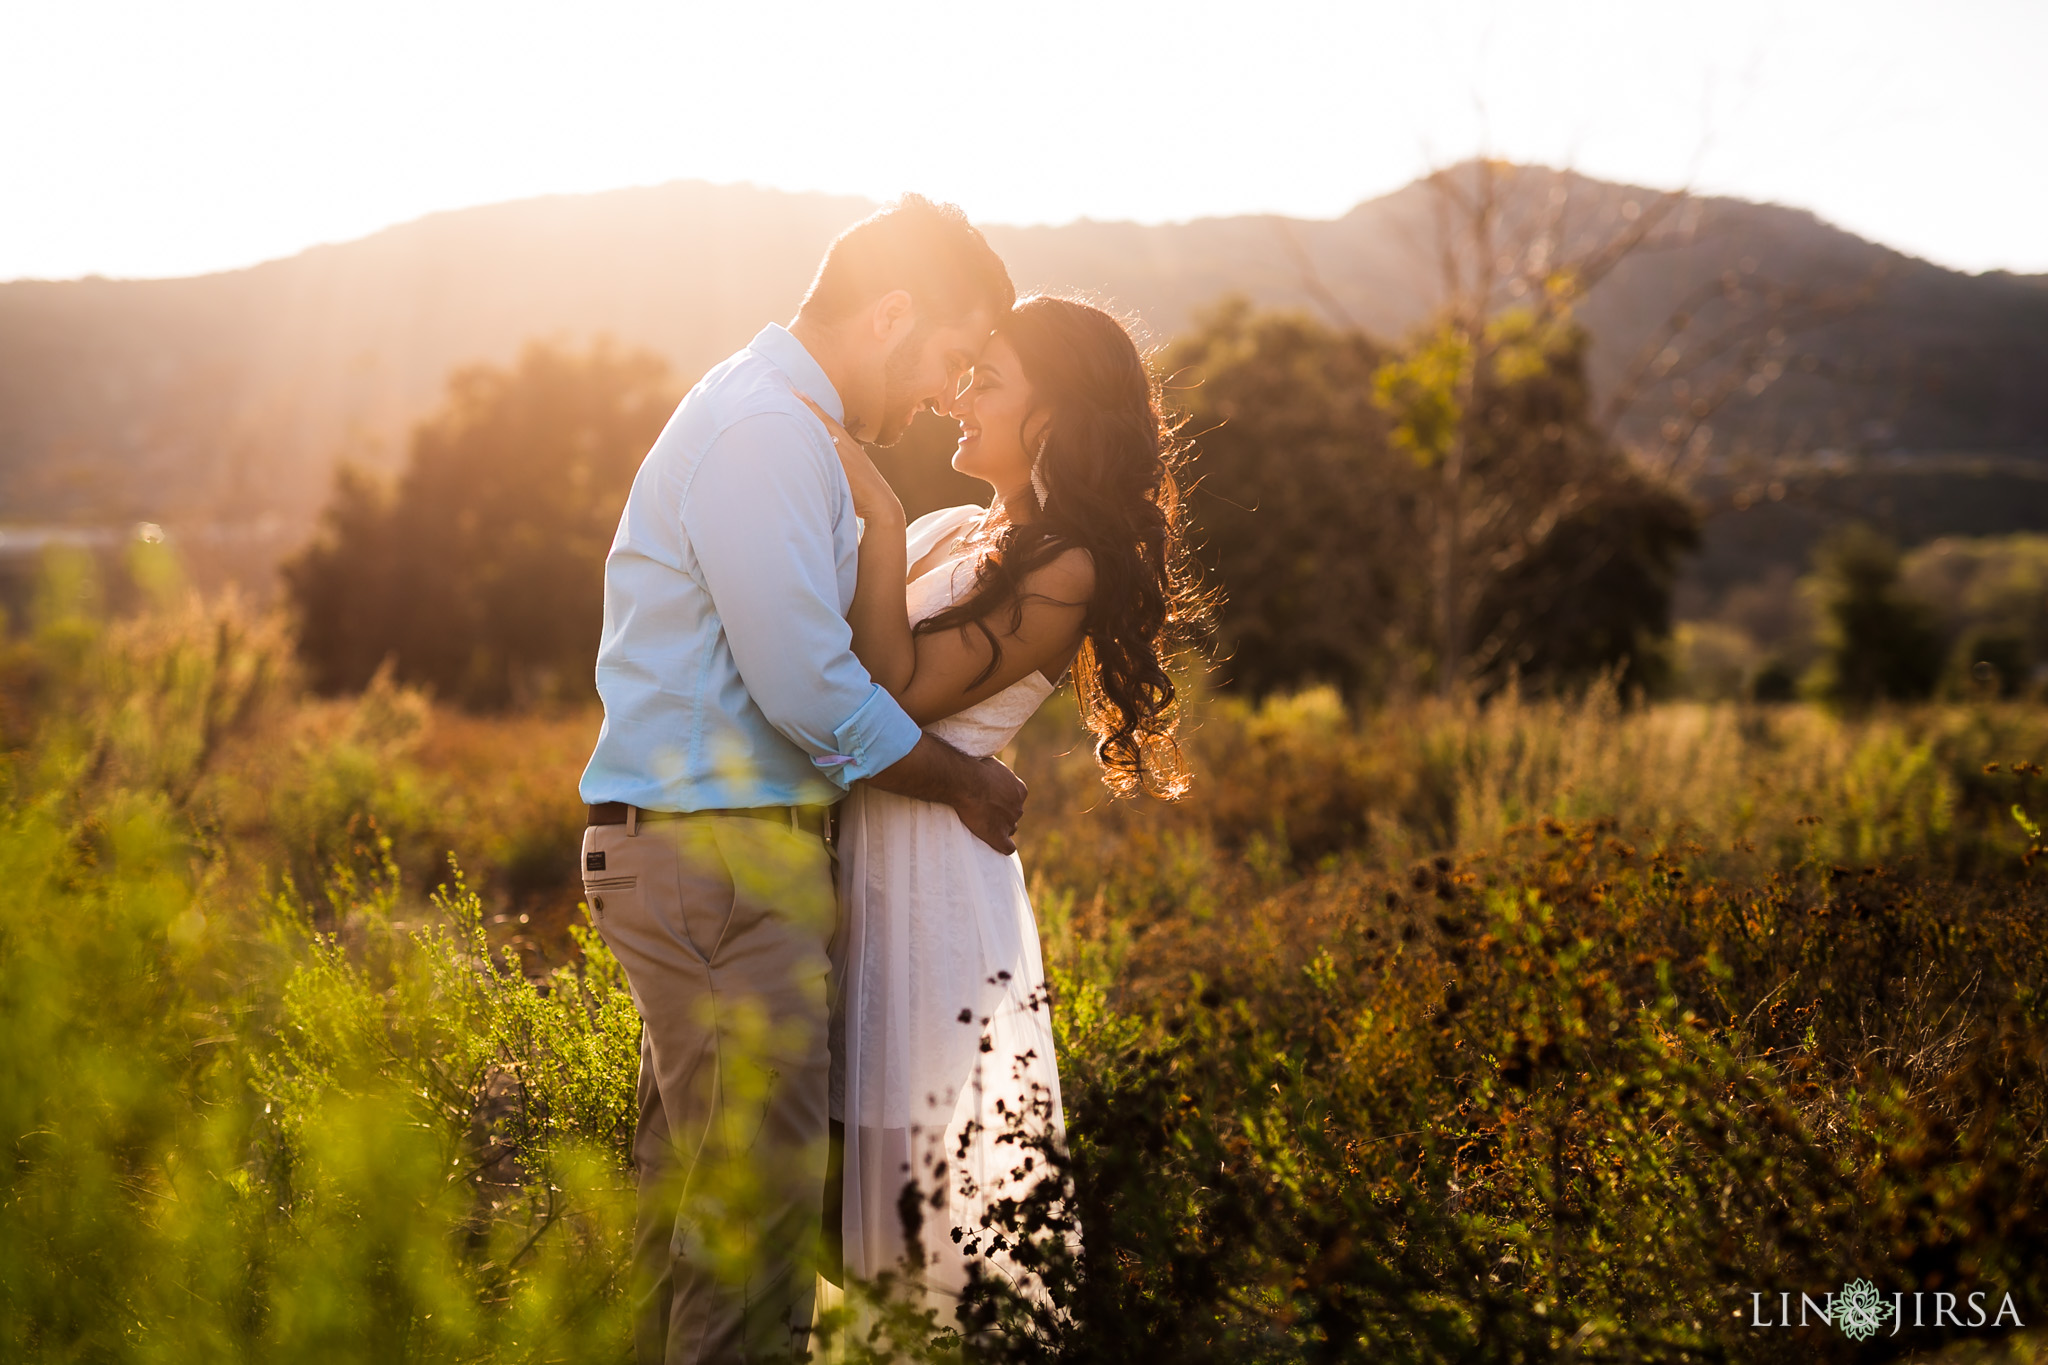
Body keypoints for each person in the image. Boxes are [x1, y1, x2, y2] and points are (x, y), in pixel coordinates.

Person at [577, 195, 1025, 1365]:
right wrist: (959, 781)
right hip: (716, 861)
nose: (948, 390)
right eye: (949, 356)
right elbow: (807, 688)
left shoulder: (778, 422)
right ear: (889, 313)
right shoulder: (765, 431)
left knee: (681, 1230)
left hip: (710, 858)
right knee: (754, 1243)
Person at [804, 294, 1202, 1323]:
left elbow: (881, 699)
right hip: (851, 864)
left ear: (1054, 413)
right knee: (820, 1201)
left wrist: (879, 517)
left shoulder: (1060, 565)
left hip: (926, 891)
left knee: (908, 1237)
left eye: (988, 382)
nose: (958, 399)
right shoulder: (949, 530)